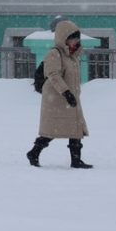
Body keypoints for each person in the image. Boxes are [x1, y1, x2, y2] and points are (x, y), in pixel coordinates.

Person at [25, 20, 93, 168]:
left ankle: (76, 160)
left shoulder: (73, 56)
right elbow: (53, 75)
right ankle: (34, 153)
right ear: (64, 38)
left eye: (77, 38)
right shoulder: (54, 54)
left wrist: (73, 93)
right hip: (56, 99)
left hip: (70, 98)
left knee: (75, 129)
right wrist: (66, 92)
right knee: (52, 129)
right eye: (72, 37)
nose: (75, 41)